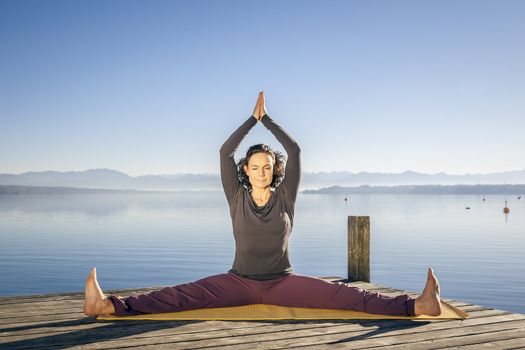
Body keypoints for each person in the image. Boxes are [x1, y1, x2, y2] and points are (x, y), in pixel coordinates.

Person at [84, 92, 441, 317]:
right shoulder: (236, 194)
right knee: (181, 295)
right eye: (254, 167)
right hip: (237, 281)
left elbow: (296, 150)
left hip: (282, 282)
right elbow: (225, 152)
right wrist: (250, 121)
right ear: (246, 170)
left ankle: (417, 306)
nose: (260, 172)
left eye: (267, 167)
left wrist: (268, 121)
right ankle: (108, 305)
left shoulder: (285, 195)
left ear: (275, 171)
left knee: (344, 295)